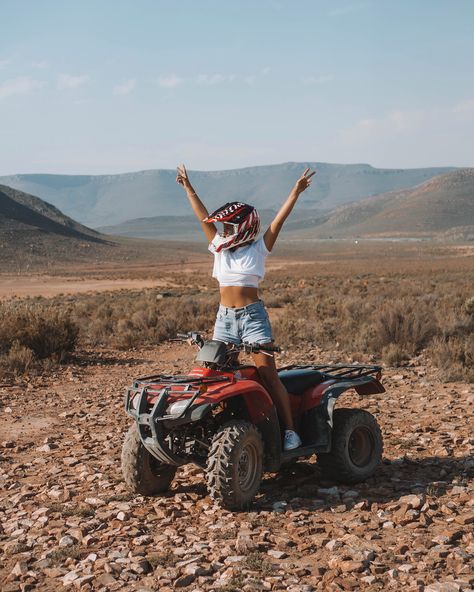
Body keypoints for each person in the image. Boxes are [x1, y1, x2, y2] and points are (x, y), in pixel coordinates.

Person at [176, 164, 316, 450]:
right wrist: (188, 188)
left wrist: (296, 191)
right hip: (225, 319)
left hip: (253, 318)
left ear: (244, 226)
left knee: (268, 374)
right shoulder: (219, 249)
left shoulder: (258, 250)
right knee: (215, 375)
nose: (224, 230)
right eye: (224, 226)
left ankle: (290, 431)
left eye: (229, 226)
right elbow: (202, 218)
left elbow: (279, 221)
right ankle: (220, 429)